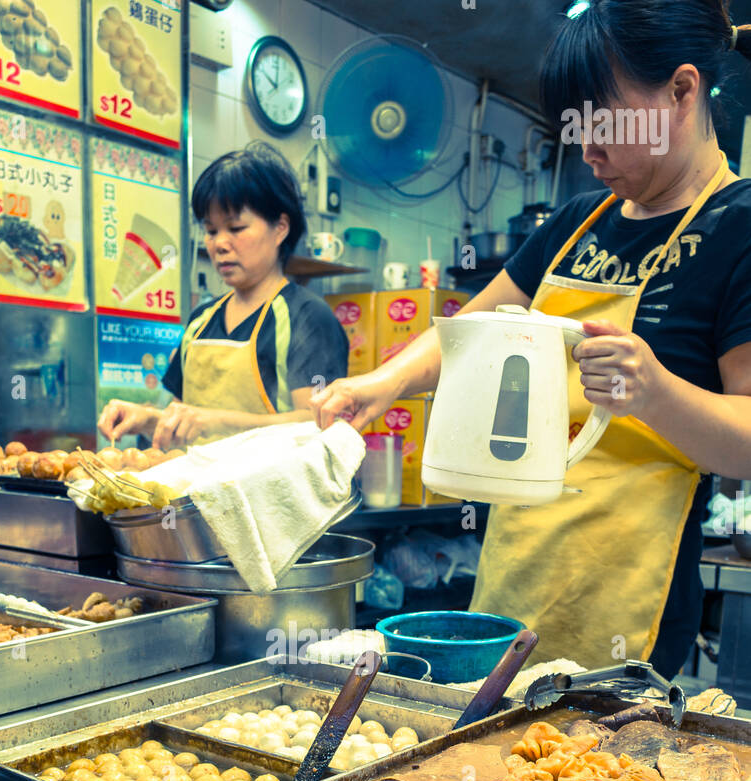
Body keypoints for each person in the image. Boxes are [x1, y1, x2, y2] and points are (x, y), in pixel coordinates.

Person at [313, 0, 751, 679]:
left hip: (627, 605)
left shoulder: (738, 228)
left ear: (682, 90)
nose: (587, 150)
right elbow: (465, 338)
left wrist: (655, 392)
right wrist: (381, 383)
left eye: (604, 121)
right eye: (576, 127)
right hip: (514, 571)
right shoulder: (577, 223)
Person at [99, 141, 348, 452]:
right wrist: (147, 418)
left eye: (236, 228)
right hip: (199, 496)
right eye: (212, 230)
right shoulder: (201, 321)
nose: (219, 244)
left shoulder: (306, 317)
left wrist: (216, 421)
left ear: (280, 228)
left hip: (273, 498)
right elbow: (183, 423)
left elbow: (318, 425)